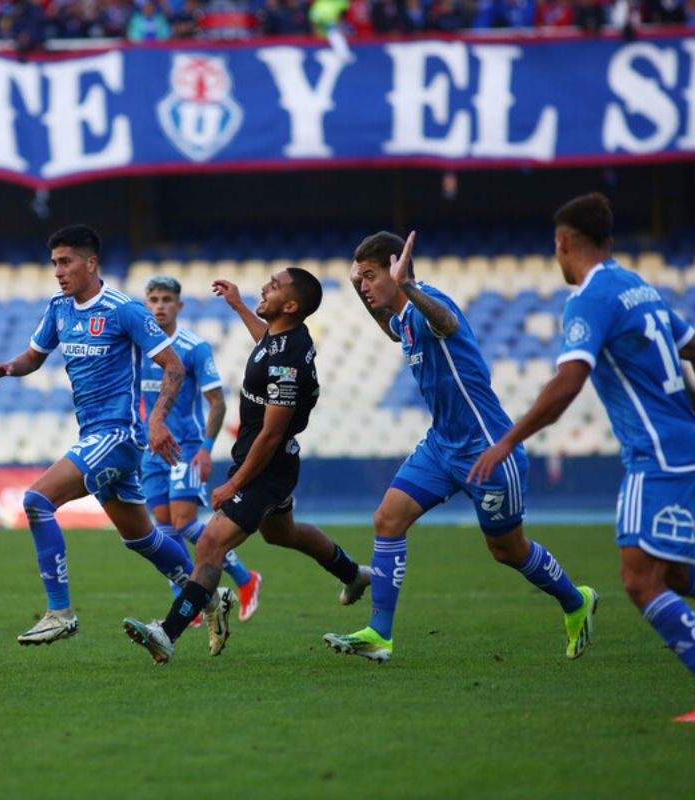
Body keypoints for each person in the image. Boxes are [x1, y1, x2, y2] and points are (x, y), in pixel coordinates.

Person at [469, 193, 695, 723]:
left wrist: (508, 439)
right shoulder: (642, 288)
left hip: (658, 454)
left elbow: (569, 381)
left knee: (642, 581)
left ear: (563, 243)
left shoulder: (590, 298)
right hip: (682, 442)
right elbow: (691, 349)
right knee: (677, 576)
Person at [323, 231, 596, 663]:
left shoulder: (430, 301)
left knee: (506, 549)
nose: (366, 285)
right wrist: (362, 290)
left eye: (372, 277)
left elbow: (446, 323)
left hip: (486, 448)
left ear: (397, 269)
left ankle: (575, 600)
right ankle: (379, 633)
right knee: (387, 519)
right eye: (363, 280)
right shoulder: (403, 318)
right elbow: (391, 330)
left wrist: (407, 285)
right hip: (441, 445)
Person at [123, 268, 372, 664]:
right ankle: (352, 573)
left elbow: (271, 435)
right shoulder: (281, 340)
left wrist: (234, 482)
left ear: (291, 305)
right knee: (283, 533)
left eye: (273, 286)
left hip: (266, 466)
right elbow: (265, 349)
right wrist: (239, 304)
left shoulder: (289, 359)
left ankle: (167, 633)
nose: (264, 287)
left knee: (209, 543)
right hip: (265, 460)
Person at [0, 224, 197, 646]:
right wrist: (8, 367)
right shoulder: (59, 308)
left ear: (91, 262)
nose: (59, 271)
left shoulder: (125, 310)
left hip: (118, 435)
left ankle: (59, 613)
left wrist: (156, 422)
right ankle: (206, 593)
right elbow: (34, 356)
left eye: (66, 262)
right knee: (141, 539)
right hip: (95, 436)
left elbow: (174, 366)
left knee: (36, 501)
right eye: (54, 264)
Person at [140, 275, 263, 623]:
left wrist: (206, 449)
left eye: (167, 299)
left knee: (184, 521)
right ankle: (186, 602)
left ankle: (245, 578)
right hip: (151, 452)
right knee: (162, 530)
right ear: (145, 305)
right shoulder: (139, 346)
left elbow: (218, 404)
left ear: (179, 306)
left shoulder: (194, 347)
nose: (160, 305)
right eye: (154, 299)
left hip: (186, 448)